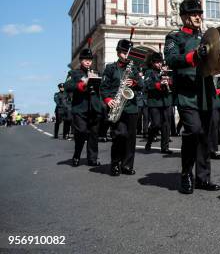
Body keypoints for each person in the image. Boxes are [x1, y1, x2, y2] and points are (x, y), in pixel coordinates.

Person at [165, 0, 220, 194]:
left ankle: (203, 178)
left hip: (205, 92)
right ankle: (186, 174)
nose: (198, 16)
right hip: (187, 93)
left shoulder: (206, 37)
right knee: (194, 131)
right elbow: (171, 59)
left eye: (200, 13)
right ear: (184, 17)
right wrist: (193, 56)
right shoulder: (175, 38)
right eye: (194, 13)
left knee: (206, 135)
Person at [101, 39, 143, 176]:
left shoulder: (134, 68)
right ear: (119, 53)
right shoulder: (110, 68)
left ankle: (127, 165)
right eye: (124, 52)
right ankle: (115, 163)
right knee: (119, 135)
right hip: (116, 106)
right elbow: (103, 87)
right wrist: (108, 100)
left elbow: (142, 85)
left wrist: (135, 82)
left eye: (128, 52)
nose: (127, 55)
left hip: (131, 107)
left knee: (131, 138)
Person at [63, 48, 103, 167]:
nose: (88, 62)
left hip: (94, 107)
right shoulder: (74, 73)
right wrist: (82, 84)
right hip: (80, 108)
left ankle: (92, 159)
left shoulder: (96, 72)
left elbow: (100, 88)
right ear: (81, 60)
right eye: (85, 59)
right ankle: (77, 155)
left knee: (93, 135)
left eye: (90, 60)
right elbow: (67, 86)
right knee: (81, 132)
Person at [144, 52, 173, 154]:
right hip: (154, 102)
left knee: (166, 124)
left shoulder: (165, 72)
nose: (159, 64)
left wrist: (168, 81)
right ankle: (149, 141)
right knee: (156, 124)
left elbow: (173, 83)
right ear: (152, 63)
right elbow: (147, 85)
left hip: (166, 101)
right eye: (157, 62)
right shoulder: (149, 72)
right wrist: (159, 84)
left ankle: (164, 147)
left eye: (160, 62)